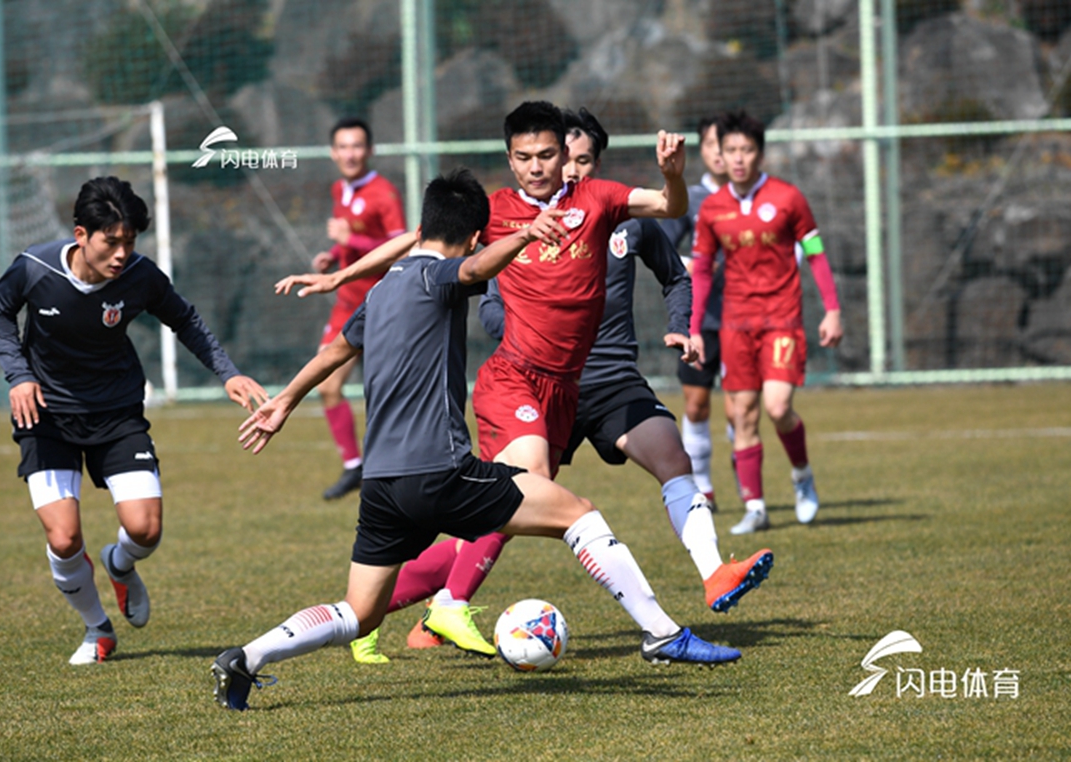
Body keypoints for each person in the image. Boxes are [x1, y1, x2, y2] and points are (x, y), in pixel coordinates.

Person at [211, 169, 741, 710]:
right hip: (438, 470)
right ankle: (662, 635)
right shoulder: (440, 275)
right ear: (471, 238)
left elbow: (334, 353)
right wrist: (525, 233)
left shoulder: (383, 289)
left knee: (359, 613)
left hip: (382, 482)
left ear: (421, 229)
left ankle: (247, 657)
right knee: (578, 514)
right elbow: (474, 269)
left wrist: (285, 400)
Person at [343, 108, 773, 664]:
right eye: (530, 157)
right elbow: (421, 241)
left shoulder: (607, 204)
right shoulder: (500, 212)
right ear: (512, 159)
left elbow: (671, 231)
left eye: (563, 157)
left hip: (598, 381)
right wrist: (341, 277)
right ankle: (429, 606)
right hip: (522, 381)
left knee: (658, 461)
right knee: (524, 499)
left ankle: (712, 575)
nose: (552, 168)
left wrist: (672, 178)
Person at [0, 176, 267, 664]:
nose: (121, 254)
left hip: (116, 411)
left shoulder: (140, 275)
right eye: (111, 241)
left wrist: (229, 373)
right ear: (81, 235)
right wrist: (19, 376)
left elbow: (185, 319)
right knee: (64, 538)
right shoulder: (34, 268)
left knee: (145, 530)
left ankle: (119, 564)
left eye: (130, 242)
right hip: (46, 414)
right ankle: (97, 629)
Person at [687, 111, 844, 535]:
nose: (738, 158)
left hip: (781, 320)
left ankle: (801, 473)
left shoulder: (788, 198)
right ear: (721, 155)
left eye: (747, 150)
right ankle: (755, 507)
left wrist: (832, 309)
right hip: (734, 325)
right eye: (731, 150)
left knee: (777, 407)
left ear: (760, 153)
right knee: (742, 415)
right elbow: (701, 271)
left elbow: (816, 253)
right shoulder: (712, 209)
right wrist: (694, 328)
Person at [310, 117, 407, 500]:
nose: (350, 154)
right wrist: (333, 255)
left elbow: (401, 247)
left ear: (370, 150)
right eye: (343, 147)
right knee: (327, 385)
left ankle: (395, 472)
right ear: (333, 153)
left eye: (356, 146)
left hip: (383, 307)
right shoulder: (340, 188)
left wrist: (352, 239)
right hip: (347, 305)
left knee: (388, 398)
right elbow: (351, 241)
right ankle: (354, 467)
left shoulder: (384, 193)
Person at [659, 115, 731, 511]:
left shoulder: (759, 197)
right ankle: (703, 486)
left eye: (728, 145)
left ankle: (752, 495)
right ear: (702, 150)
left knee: (741, 409)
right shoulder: (693, 198)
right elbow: (663, 250)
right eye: (711, 145)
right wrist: (695, 265)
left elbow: (795, 246)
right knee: (696, 405)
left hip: (746, 319)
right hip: (703, 323)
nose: (720, 153)